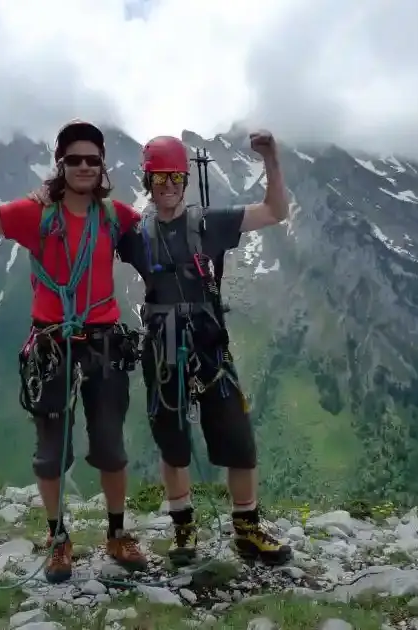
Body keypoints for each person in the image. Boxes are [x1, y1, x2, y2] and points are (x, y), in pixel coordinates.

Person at [0, 119, 148, 584]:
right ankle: (59, 539)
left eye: (91, 160)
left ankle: (117, 534)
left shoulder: (116, 216)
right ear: (61, 164)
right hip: (52, 342)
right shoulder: (35, 214)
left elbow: (162, 227)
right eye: (74, 159)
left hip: (102, 342)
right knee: (51, 452)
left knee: (111, 447)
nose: (83, 166)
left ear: (102, 167)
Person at [115, 131, 293, 567]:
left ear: (185, 179)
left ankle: (247, 531)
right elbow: (85, 224)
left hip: (208, 345)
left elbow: (275, 211)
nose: (168, 185)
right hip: (162, 345)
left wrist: (271, 158)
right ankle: (183, 531)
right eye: (159, 178)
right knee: (171, 443)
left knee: (238, 439)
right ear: (148, 182)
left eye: (175, 176)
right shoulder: (134, 234)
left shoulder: (211, 222)